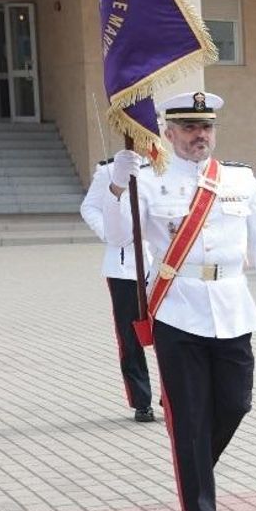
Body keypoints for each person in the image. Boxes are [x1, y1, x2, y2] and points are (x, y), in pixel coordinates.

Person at [101, 91, 256, 511]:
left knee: (235, 403)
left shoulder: (240, 180)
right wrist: (117, 187)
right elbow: (118, 235)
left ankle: (194, 468)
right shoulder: (149, 179)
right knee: (188, 415)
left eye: (205, 128)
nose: (199, 136)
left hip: (231, 305)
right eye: (188, 128)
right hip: (178, 309)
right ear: (168, 133)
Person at [80, 156, 154, 422]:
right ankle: (141, 400)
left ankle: (174, 397)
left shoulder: (168, 168)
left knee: (173, 335)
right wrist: (110, 233)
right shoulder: (110, 169)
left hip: (163, 265)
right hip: (124, 268)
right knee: (130, 337)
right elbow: (89, 208)